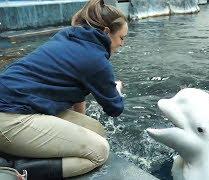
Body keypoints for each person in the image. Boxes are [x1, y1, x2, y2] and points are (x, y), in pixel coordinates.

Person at [0, 0, 128, 178]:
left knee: (96, 131)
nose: (122, 44)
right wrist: (117, 90)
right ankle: (16, 169)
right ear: (106, 32)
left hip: (17, 104)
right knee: (99, 151)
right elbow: (115, 109)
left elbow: (77, 92)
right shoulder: (96, 59)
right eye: (121, 37)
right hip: (9, 118)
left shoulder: (69, 36)